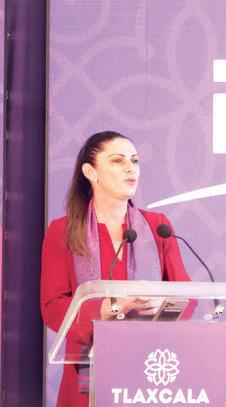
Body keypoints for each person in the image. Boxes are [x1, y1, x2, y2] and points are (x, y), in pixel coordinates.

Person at [40, 131, 191, 406]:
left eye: (134, 160)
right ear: (91, 172)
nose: (130, 168)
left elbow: (188, 296)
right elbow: (52, 307)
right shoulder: (63, 231)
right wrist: (109, 307)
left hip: (150, 377)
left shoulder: (158, 226)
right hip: (87, 379)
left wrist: (160, 303)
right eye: (117, 161)